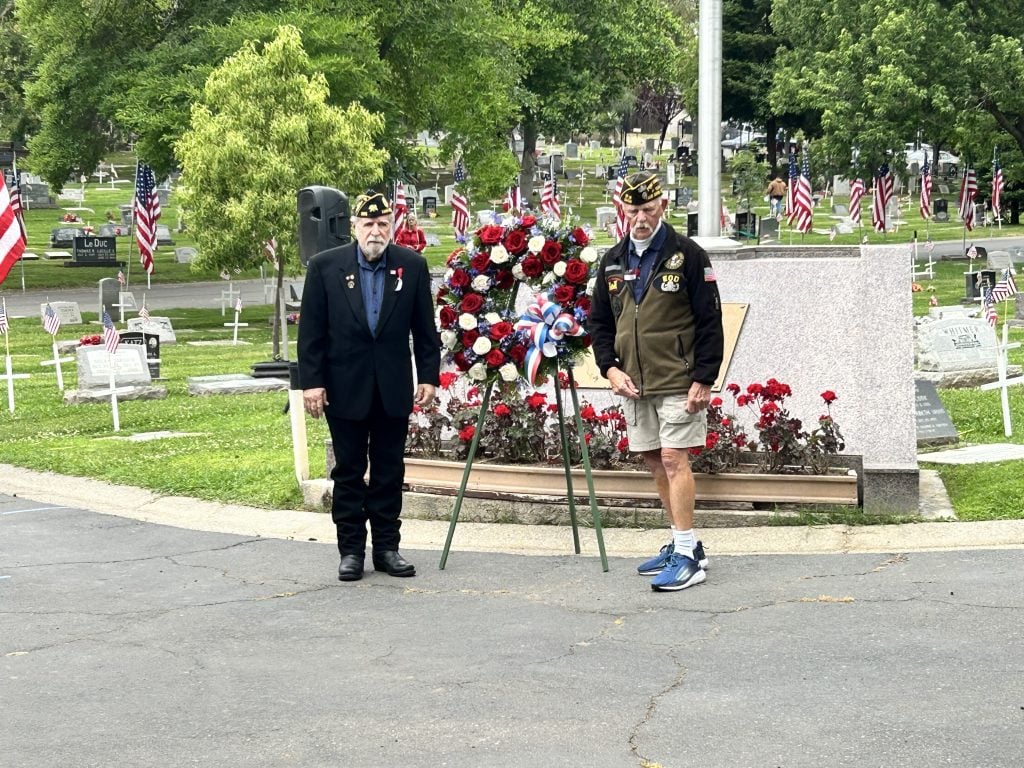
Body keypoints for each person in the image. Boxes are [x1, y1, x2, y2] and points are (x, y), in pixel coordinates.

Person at [588, 172, 724, 592]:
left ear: (663, 207)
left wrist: (704, 378)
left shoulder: (688, 255)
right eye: (633, 211)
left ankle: (687, 557)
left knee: (672, 458)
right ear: (623, 212)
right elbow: (599, 322)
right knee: (652, 459)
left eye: (648, 209)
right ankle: (682, 542)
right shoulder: (612, 260)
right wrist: (610, 368)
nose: (641, 219)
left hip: (678, 380)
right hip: (634, 382)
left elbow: (709, 320)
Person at [297, 191, 440, 582]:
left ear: (391, 227)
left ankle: (387, 549)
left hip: (393, 389)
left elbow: (425, 329)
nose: (375, 231)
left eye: (383, 224)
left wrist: (428, 375)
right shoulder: (326, 267)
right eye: (368, 224)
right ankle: (351, 551)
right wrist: (312, 383)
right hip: (344, 388)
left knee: (389, 472)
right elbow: (311, 333)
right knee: (348, 471)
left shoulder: (411, 266)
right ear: (355, 228)